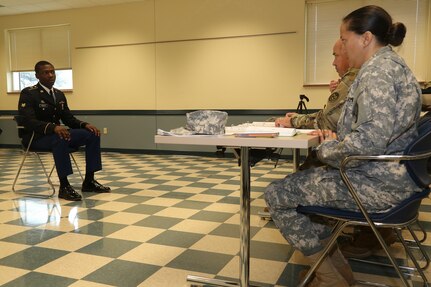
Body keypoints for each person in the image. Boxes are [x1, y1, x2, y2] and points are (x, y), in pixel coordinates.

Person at [265, 5, 422, 287]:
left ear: (365, 38)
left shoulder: (377, 73)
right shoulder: (393, 67)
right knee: (297, 185)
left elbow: (370, 141)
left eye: (345, 39)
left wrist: (328, 149)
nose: (344, 47)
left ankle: (329, 277)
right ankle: (337, 270)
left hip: (377, 185)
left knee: (277, 194)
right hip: (394, 179)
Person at [18, 60, 111, 201]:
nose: (51, 75)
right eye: (46, 72)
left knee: (92, 134)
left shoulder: (59, 94)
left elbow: (68, 119)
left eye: (52, 72)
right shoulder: (29, 94)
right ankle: (64, 186)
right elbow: (28, 120)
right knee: (61, 137)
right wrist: (53, 127)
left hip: (57, 135)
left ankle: (89, 181)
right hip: (35, 138)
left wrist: (84, 124)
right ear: (37, 75)